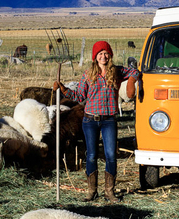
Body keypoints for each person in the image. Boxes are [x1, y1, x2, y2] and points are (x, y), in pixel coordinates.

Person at [54, 41, 139, 203]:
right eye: (100, 53)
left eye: (106, 53)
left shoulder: (117, 71)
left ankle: (109, 192)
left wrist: (130, 81)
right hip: (90, 120)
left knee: (111, 155)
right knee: (92, 156)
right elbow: (79, 96)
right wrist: (64, 90)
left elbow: (136, 71)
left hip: (109, 120)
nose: (103, 56)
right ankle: (92, 191)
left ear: (110, 55)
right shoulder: (88, 74)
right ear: (95, 57)